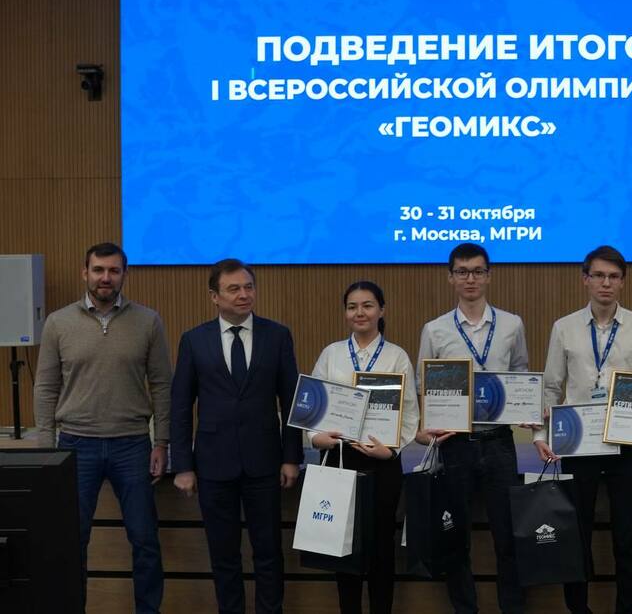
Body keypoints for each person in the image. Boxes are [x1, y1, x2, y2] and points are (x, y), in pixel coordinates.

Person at [33, 242, 171, 614]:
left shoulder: (148, 321)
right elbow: (45, 387)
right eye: (98, 270)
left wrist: (162, 442)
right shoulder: (58, 322)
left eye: (113, 270)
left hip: (133, 446)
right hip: (75, 446)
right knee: (71, 540)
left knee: (144, 540)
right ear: (85, 273)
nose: (105, 277)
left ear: (124, 275)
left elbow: (162, 384)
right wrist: (46, 445)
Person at [170, 258, 303, 614]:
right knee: (224, 555)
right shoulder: (194, 340)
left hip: (265, 463)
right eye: (234, 289)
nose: (244, 295)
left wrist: (291, 457)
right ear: (214, 296)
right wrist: (182, 465)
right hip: (213, 465)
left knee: (269, 553)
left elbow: (291, 400)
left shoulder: (277, 335)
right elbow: (180, 406)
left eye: (248, 287)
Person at [533, 245, 632, 614]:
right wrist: (540, 435)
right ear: (585, 279)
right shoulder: (564, 327)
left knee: (626, 536)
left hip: (624, 442)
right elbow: (551, 388)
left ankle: (627, 608)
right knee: (577, 531)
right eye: (599, 275)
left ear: (623, 282)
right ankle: (578, 608)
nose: (606, 283)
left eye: (614, 277)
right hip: (577, 441)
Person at [416, 242, 528, 614]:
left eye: (478, 271)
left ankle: (512, 608)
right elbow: (423, 385)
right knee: (455, 536)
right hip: (456, 445)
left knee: (508, 538)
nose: (470, 279)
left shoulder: (512, 324)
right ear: (451, 278)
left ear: (488, 276)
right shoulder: (434, 330)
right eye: (462, 272)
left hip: (499, 443)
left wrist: (525, 405)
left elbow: (520, 375)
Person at [307, 281, 420, 613]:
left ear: (381, 310)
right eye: (352, 306)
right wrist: (315, 438)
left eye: (368, 305)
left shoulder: (397, 356)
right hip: (340, 459)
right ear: (345, 313)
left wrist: (392, 450)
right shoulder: (331, 354)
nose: (360, 312)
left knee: (382, 548)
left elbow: (410, 413)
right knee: (344, 548)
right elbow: (312, 406)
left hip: (382, 462)